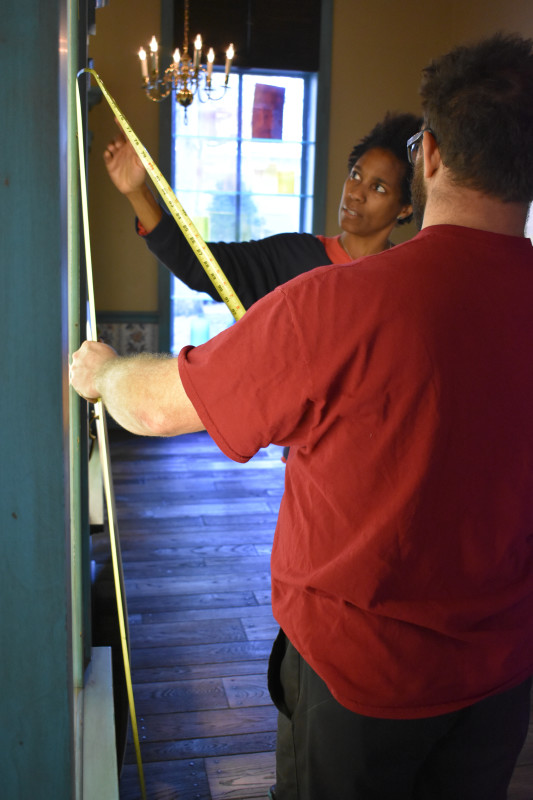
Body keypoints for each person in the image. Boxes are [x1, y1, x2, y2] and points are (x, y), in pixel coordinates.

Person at [71, 32, 533, 800]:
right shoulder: (324, 283)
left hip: (362, 681)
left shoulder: (340, 307)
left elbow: (153, 411)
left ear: (429, 158)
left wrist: (107, 370)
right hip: (503, 672)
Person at [103, 112, 421, 309]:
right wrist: (137, 192)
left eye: (378, 188)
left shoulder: (408, 284)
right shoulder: (290, 257)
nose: (356, 193)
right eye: (355, 176)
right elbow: (201, 265)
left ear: (406, 207)